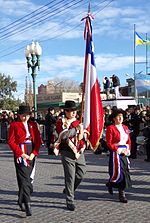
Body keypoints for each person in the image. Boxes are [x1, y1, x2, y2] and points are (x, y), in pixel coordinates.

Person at [8, 105, 42, 216]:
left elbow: (38, 141)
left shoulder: (33, 125)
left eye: (27, 115)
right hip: (20, 151)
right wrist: (21, 154)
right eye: (23, 116)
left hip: (31, 151)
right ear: (19, 115)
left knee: (28, 178)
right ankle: (27, 203)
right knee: (23, 178)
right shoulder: (14, 125)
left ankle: (20, 198)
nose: (25, 118)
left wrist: (34, 153)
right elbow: (11, 142)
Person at [53, 100, 86, 211]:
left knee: (81, 173)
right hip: (67, 151)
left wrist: (83, 133)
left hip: (78, 151)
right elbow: (64, 135)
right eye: (71, 111)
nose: (73, 113)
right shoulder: (60, 122)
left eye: (74, 110)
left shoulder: (78, 122)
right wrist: (76, 129)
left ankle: (69, 189)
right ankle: (70, 200)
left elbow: (82, 135)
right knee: (70, 176)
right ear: (65, 111)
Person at [105, 109, 132, 203]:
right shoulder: (111, 128)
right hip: (115, 153)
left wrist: (127, 150)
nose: (120, 118)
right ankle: (121, 193)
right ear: (114, 118)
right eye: (118, 116)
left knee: (125, 172)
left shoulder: (125, 127)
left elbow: (128, 141)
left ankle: (115, 186)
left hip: (124, 152)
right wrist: (118, 150)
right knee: (117, 172)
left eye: (122, 116)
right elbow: (109, 143)